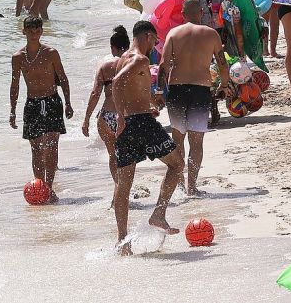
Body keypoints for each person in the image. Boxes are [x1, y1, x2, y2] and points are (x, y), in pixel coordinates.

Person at [112, 20, 183, 255]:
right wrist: (122, 116)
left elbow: (127, 86)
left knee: (124, 184)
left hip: (133, 121)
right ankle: (159, 213)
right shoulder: (140, 59)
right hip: (139, 123)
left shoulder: (123, 57)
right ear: (147, 36)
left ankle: (123, 242)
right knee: (177, 165)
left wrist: (151, 102)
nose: (155, 46)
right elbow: (117, 82)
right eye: (155, 40)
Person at [160, 0, 231, 194]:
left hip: (176, 89)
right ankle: (192, 186)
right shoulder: (211, 34)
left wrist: (159, 92)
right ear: (201, 12)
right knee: (197, 141)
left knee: (177, 140)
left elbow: (164, 65)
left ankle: (179, 183)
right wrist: (224, 85)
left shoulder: (173, 34)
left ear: (183, 15)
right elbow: (222, 64)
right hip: (200, 89)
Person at [9, 17, 73, 204]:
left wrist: (68, 103)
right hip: (32, 104)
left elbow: (63, 77)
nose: (34, 33)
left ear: (41, 31)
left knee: (52, 147)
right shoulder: (18, 57)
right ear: (24, 31)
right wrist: (12, 111)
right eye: (30, 30)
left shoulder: (51, 53)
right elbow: (15, 85)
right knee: (36, 149)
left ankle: (49, 187)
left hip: (52, 101)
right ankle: (40, 186)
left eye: (37, 30)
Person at [83, 26, 130, 187]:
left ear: (112, 48)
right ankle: (124, 189)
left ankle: (118, 190)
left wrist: (86, 119)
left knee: (112, 155)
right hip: (126, 116)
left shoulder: (104, 66)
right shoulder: (133, 63)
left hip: (106, 116)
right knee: (127, 155)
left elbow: (95, 93)